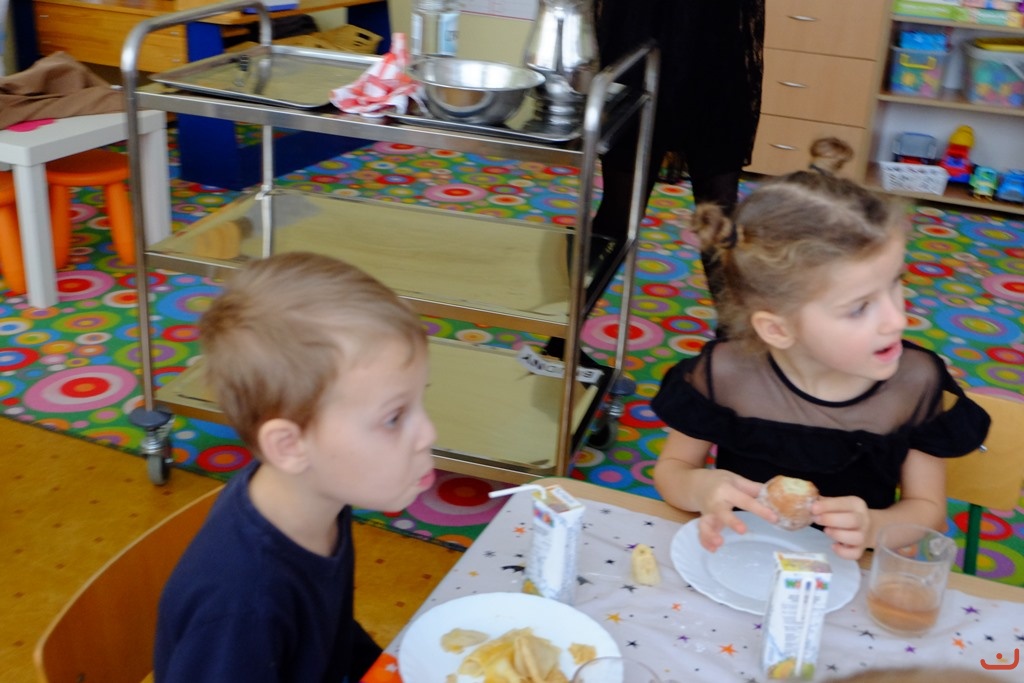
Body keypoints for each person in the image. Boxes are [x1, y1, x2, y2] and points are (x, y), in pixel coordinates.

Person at [649, 166, 990, 561]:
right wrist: (700, 488)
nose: (898, 319)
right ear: (777, 329)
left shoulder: (914, 383)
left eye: (897, 282)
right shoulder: (726, 373)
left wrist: (872, 526)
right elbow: (672, 470)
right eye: (859, 307)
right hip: (738, 561)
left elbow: (927, 509)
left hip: (846, 572)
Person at [153, 252, 437, 682]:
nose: (428, 433)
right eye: (395, 417)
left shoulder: (317, 498)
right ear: (289, 446)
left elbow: (325, 637)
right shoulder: (242, 606)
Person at [592, 0, 765, 306]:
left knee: (720, 210)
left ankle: (731, 331)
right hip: (640, 40)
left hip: (713, 53)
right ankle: (568, 317)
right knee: (620, 212)